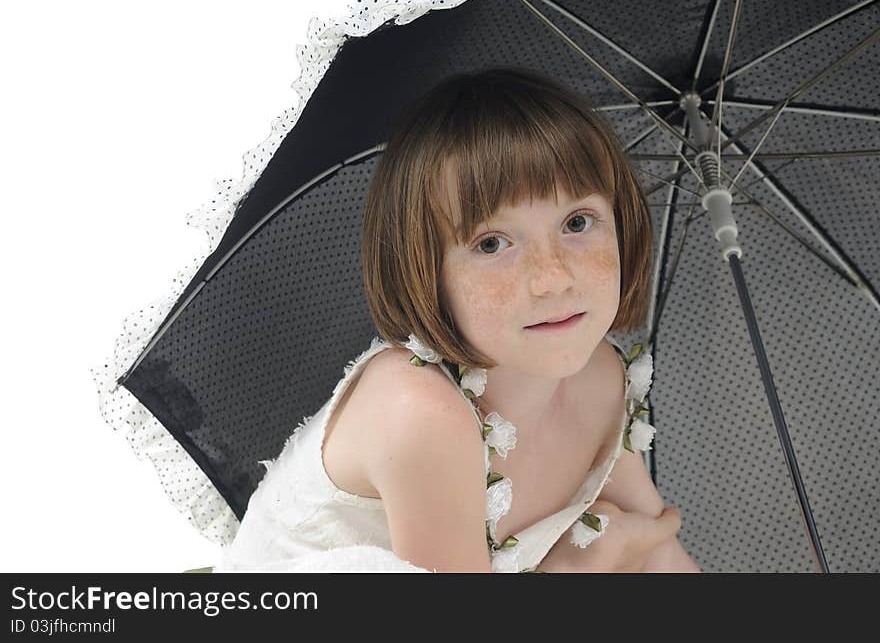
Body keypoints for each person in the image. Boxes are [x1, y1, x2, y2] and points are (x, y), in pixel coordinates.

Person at [215, 66, 700, 573]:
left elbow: (658, 548)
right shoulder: (422, 414)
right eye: (492, 243)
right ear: (424, 269)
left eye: (577, 222)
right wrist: (578, 566)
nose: (554, 278)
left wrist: (627, 550)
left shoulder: (601, 377)